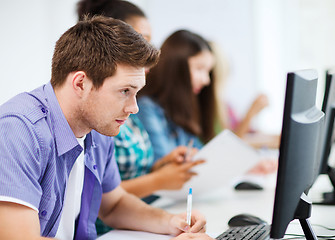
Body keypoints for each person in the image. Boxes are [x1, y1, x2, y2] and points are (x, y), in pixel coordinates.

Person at [0, 16, 213, 240]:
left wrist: (171, 222)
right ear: (80, 83)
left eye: (136, 93)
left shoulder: (98, 126)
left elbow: (114, 204)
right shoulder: (17, 131)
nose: (134, 108)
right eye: (125, 92)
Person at [137, 29, 277, 174]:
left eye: (208, 72)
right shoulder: (146, 107)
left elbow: (202, 156)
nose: (206, 80)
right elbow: (167, 169)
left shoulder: (180, 108)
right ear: (176, 69)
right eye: (199, 69)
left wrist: (246, 167)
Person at [210, 42, 280, 149]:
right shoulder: (211, 111)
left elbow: (241, 136)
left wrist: (272, 139)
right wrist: (251, 113)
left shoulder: (225, 106)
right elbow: (230, 146)